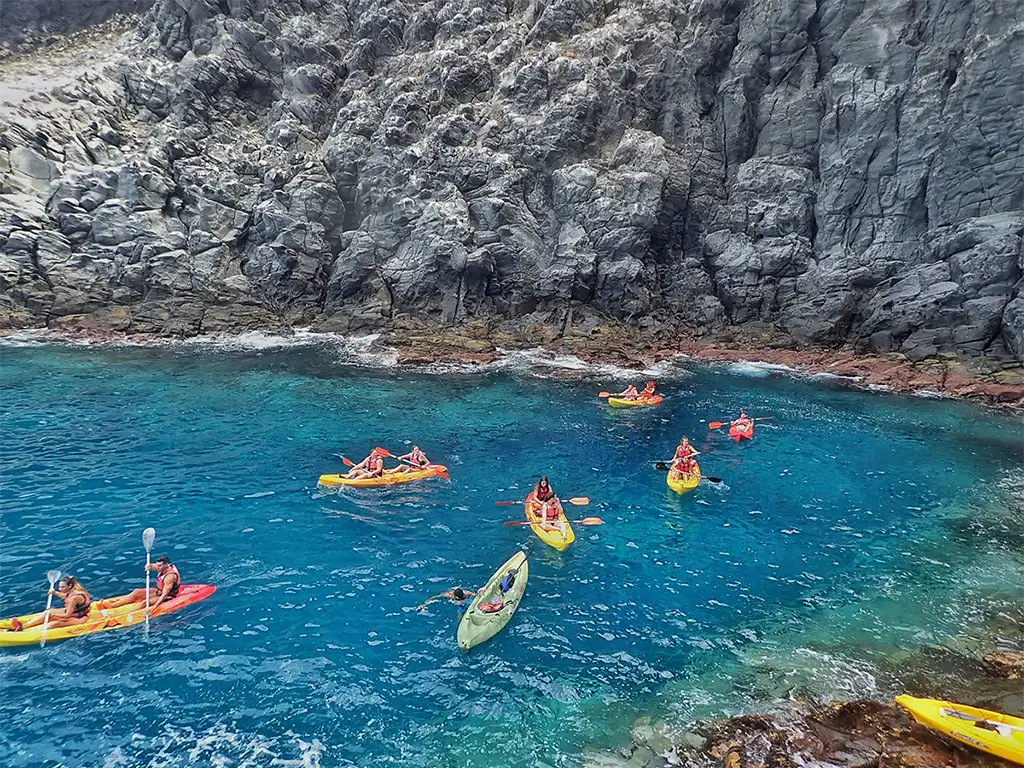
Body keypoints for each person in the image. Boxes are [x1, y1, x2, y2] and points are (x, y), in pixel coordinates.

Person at [95, 556, 181, 614]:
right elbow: (152, 566)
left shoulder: (170, 577)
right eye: (157, 565)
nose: (157, 567)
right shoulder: (162, 567)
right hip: (159, 591)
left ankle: (125, 613)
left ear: (166, 565)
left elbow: (165, 594)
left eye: (160, 566)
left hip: (168, 596)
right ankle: (113, 605)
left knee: (145, 603)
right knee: (137, 592)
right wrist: (149, 566)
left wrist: (153, 607)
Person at [7, 576, 92, 632]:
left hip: (81, 618)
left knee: (54, 623)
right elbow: (66, 596)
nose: (60, 589)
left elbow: (67, 616)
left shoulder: (74, 598)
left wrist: (53, 615)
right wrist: (55, 592)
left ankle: (27, 633)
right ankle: (23, 626)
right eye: (59, 587)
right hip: (74, 613)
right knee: (48, 611)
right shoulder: (74, 591)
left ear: (69, 586)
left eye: (63, 587)